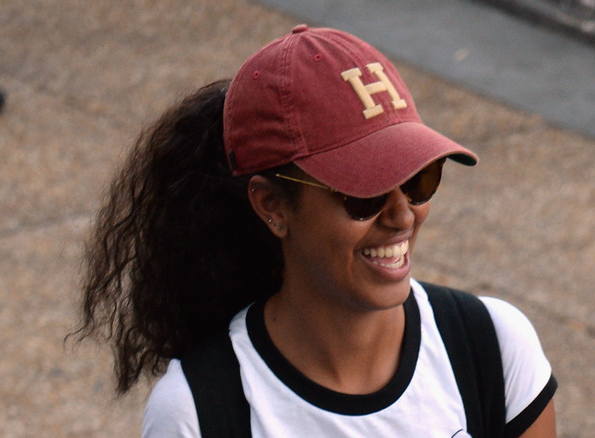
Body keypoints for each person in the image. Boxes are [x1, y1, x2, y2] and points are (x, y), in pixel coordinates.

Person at [75, 25, 557, 437]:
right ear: (272, 206)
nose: (402, 215)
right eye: (363, 194)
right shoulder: (201, 412)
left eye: (417, 179)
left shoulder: (491, 347)